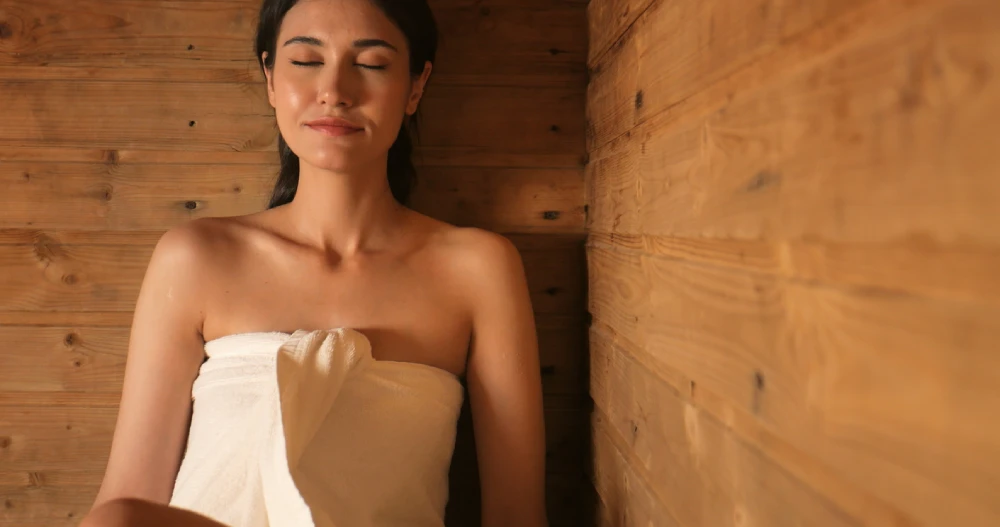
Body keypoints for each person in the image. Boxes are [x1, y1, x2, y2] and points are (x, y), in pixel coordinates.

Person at [79, 0, 548, 525]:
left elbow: (517, 515)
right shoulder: (195, 259)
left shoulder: (478, 269)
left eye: (371, 64)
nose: (334, 90)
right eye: (306, 61)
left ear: (416, 86)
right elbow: (130, 493)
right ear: (270, 79)